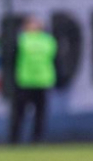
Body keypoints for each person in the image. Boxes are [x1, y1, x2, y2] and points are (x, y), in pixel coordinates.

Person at [9, 15, 57, 144]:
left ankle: (37, 140)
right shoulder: (23, 40)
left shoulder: (46, 40)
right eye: (31, 23)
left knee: (39, 114)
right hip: (25, 81)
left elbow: (55, 60)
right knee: (20, 114)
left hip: (41, 81)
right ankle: (15, 140)